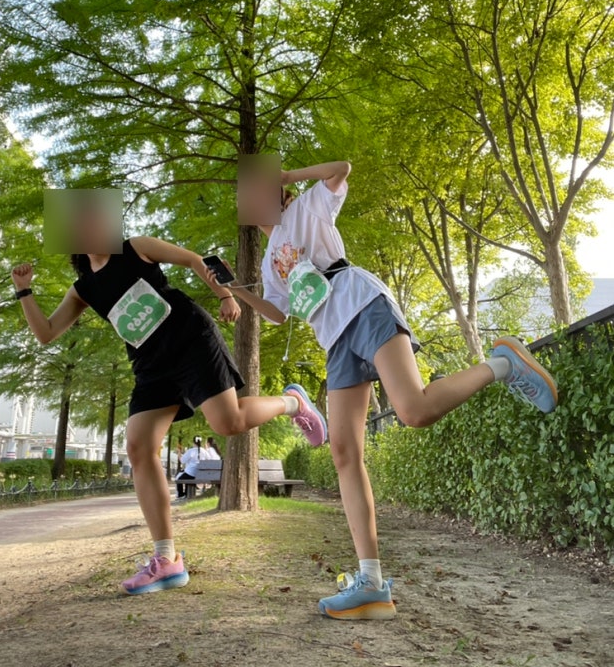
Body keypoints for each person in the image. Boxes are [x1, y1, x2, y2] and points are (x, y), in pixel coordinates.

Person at [216, 159, 558, 621]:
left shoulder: (308, 207)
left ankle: (503, 364)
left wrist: (288, 177)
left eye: (256, 188)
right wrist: (235, 289)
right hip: (332, 336)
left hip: (361, 303)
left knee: (414, 409)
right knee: (343, 452)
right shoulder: (267, 258)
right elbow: (277, 313)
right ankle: (372, 583)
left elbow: (341, 168)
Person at [11, 224, 326, 598]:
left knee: (229, 423)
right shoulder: (83, 289)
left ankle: (293, 403)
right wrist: (24, 290)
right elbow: (46, 332)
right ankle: (166, 559)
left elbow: (193, 259)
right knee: (138, 447)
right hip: (150, 365)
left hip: (190, 339)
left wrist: (225, 295)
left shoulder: (136, 248)